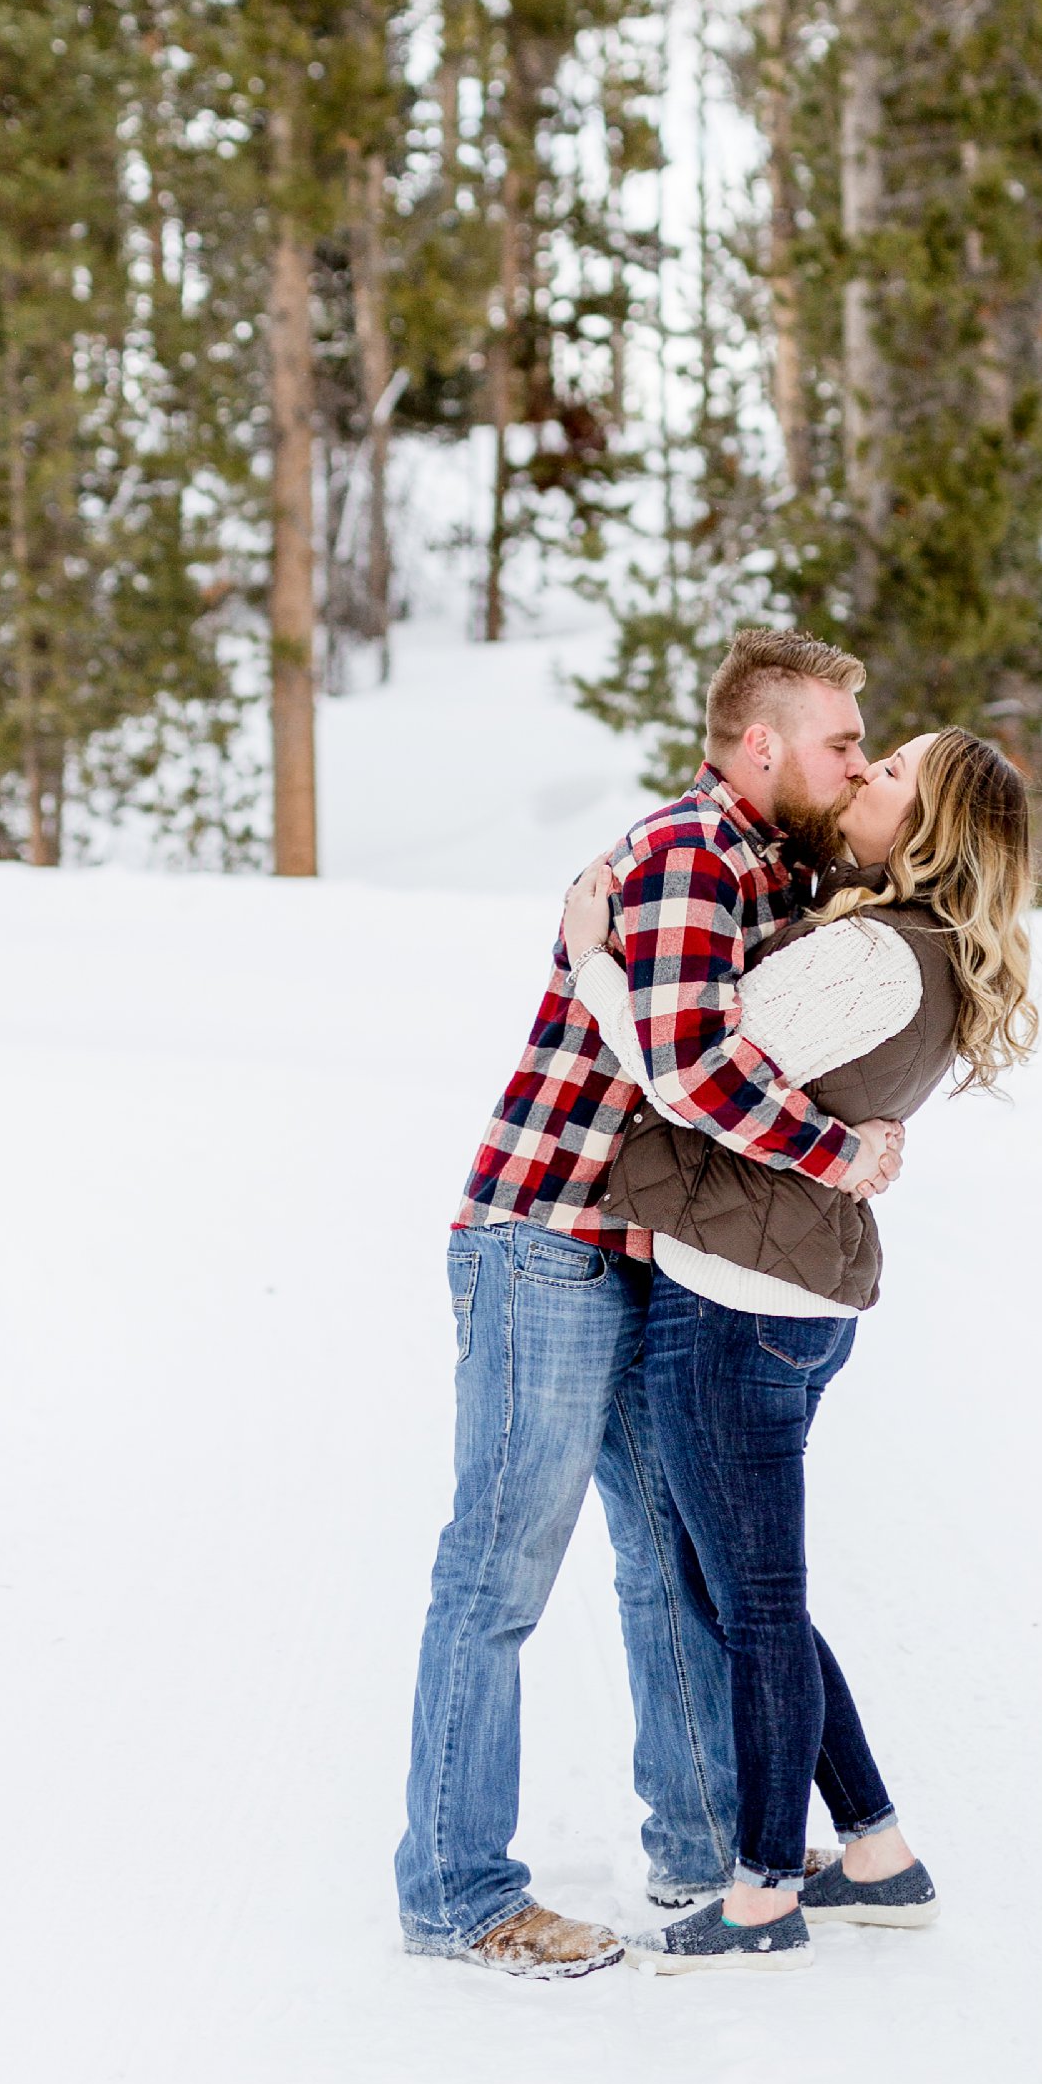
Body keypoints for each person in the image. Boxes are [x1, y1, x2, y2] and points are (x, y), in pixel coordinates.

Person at [394, 630, 907, 1980]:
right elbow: (687, 1069)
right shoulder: (690, 851)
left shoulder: (772, 866)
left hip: (648, 1254)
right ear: (760, 745)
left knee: (670, 1558)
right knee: (500, 1566)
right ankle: (454, 1888)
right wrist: (836, 1153)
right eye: (841, 740)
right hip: (547, 1237)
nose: (856, 759)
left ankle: (702, 1843)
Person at [560, 726, 1038, 1978]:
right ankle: (875, 1854)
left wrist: (594, 959)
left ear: (924, 831)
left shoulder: (877, 958)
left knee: (753, 1603)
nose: (865, 776)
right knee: (745, 1592)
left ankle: (764, 1891)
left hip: (736, 1305)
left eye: (890, 776)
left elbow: (686, 1072)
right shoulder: (895, 941)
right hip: (769, 1298)